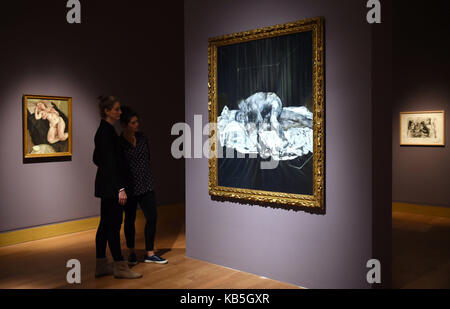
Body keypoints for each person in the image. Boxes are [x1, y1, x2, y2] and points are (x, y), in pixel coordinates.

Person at [93, 96, 142, 279]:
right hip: (112, 187)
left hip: (106, 186)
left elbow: (96, 159)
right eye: (116, 109)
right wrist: (120, 188)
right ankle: (121, 268)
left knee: (105, 226)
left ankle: (101, 266)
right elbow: (110, 163)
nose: (120, 112)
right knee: (113, 226)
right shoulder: (106, 133)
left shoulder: (104, 130)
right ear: (107, 111)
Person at [119, 106, 168, 265]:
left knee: (152, 217)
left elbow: (147, 159)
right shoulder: (119, 143)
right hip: (130, 187)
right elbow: (118, 167)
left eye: (137, 121)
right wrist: (121, 188)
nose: (137, 125)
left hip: (146, 184)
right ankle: (132, 253)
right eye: (133, 122)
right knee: (129, 220)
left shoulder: (142, 138)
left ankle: (150, 253)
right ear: (125, 125)